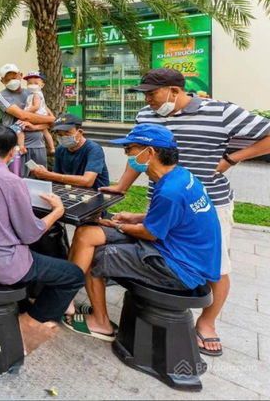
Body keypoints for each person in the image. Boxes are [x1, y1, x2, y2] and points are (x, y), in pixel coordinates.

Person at [100, 68, 270, 355]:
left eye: (151, 94)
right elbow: (137, 152)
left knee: (216, 267)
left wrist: (231, 159)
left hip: (209, 203)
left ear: (174, 91)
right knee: (163, 249)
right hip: (163, 199)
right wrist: (122, 187)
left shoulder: (221, 111)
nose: (147, 100)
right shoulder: (147, 115)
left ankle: (207, 323)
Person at [66, 124, 221, 342]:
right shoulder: (179, 176)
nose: (127, 155)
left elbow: (149, 234)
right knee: (87, 233)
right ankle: (64, 295)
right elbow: (175, 217)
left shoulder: (170, 191)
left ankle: (100, 322)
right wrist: (135, 217)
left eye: (129, 149)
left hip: (178, 267)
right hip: (175, 248)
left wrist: (118, 226)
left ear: (150, 152)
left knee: (95, 255)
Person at [0, 124, 85, 353]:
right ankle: (30, 323)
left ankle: (29, 300)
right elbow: (30, 233)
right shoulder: (12, 182)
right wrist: (57, 211)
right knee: (73, 275)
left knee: (37, 258)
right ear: (13, 151)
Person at [0, 64, 55, 177]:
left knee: (40, 179)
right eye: (8, 79)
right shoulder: (2, 96)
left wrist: (37, 126)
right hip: (18, 148)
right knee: (18, 179)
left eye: (14, 77)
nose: (12, 81)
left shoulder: (32, 92)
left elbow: (50, 122)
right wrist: (51, 119)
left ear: (20, 75)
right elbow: (23, 116)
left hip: (38, 145)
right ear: (2, 81)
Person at [31, 113, 110, 191]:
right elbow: (56, 177)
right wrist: (42, 174)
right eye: (60, 135)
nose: (63, 137)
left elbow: (87, 181)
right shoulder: (60, 149)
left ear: (80, 132)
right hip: (70, 190)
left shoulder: (93, 149)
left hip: (95, 192)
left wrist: (48, 175)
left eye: (67, 133)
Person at [23, 71, 56, 155]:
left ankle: (21, 146)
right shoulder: (34, 94)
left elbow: (36, 107)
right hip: (41, 115)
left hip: (36, 116)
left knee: (19, 127)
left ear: (42, 85)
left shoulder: (36, 95)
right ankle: (52, 147)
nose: (32, 85)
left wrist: (24, 113)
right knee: (45, 132)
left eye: (36, 83)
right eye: (29, 83)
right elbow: (44, 106)